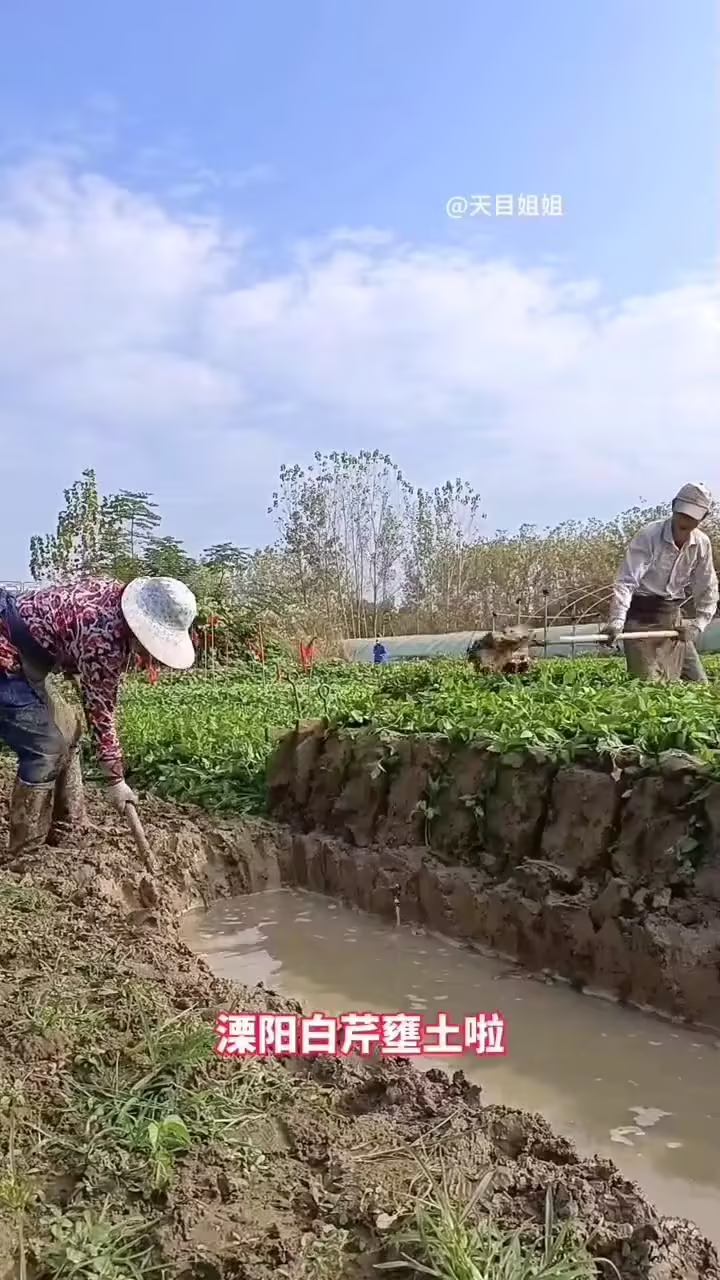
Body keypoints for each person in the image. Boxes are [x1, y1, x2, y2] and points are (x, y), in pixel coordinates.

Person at [0, 576, 197, 858]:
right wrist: (116, 781)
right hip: (7, 656)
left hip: (23, 648)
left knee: (70, 730)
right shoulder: (104, 640)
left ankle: (70, 823)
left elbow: (65, 622)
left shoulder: (110, 591)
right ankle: (26, 850)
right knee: (46, 747)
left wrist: (69, 652)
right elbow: (101, 714)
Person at [602, 483, 718, 682]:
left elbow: (707, 586)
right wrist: (617, 620)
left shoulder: (701, 544)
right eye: (683, 513)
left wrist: (697, 625)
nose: (686, 520)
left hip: (671, 617)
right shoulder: (649, 535)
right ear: (674, 506)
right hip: (640, 617)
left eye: (693, 516)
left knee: (699, 684)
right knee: (648, 687)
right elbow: (627, 581)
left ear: (704, 517)